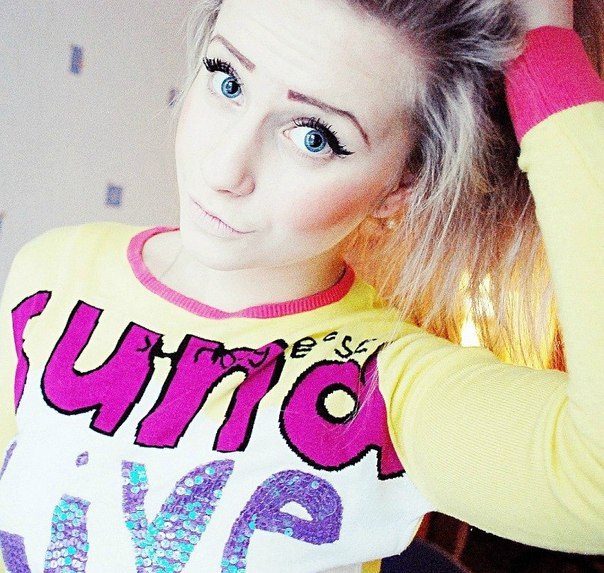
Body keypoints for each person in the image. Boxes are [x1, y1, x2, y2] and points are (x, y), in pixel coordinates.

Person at [0, 0, 602, 571]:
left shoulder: (388, 388)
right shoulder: (55, 271)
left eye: (314, 136)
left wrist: (548, 55)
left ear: (402, 186)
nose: (222, 169)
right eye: (227, 81)